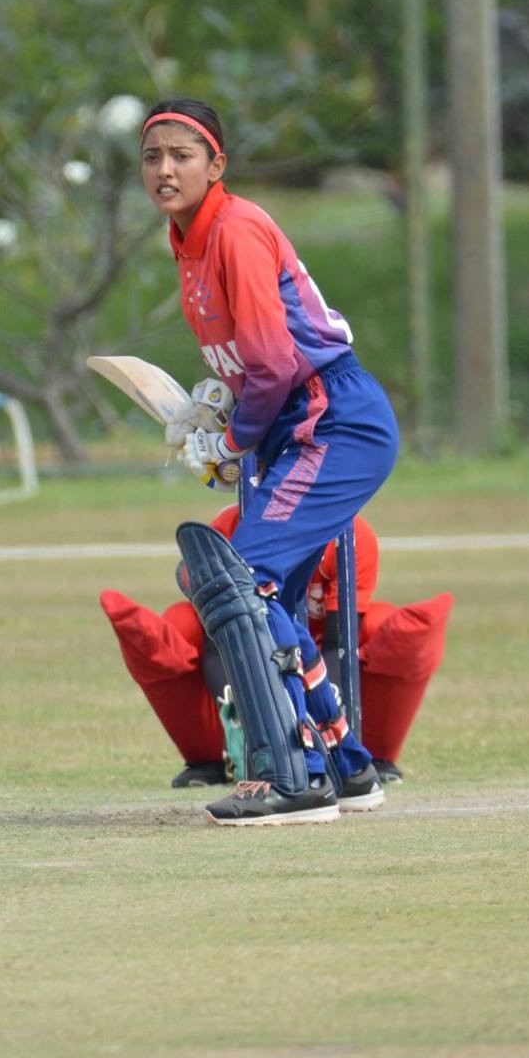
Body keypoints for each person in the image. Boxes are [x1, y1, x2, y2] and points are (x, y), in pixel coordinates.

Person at [142, 97, 403, 824]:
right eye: (153, 156)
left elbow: (276, 361)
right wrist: (228, 417)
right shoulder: (186, 236)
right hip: (290, 418)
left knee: (240, 582)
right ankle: (346, 769)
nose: (165, 169)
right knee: (263, 597)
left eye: (181, 155)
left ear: (215, 165)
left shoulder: (236, 229)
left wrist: (228, 442)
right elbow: (252, 368)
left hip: (330, 416)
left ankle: (295, 777)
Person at [101, 506, 453, 789]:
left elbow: (337, 643)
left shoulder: (354, 535)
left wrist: (323, 710)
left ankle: (370, 755)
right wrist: (240, 706)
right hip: (247, 645)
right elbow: (215, 643)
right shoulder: (228, 528)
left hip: (315, 650)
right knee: (181, 621)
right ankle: (208, 760)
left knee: (381, 621)